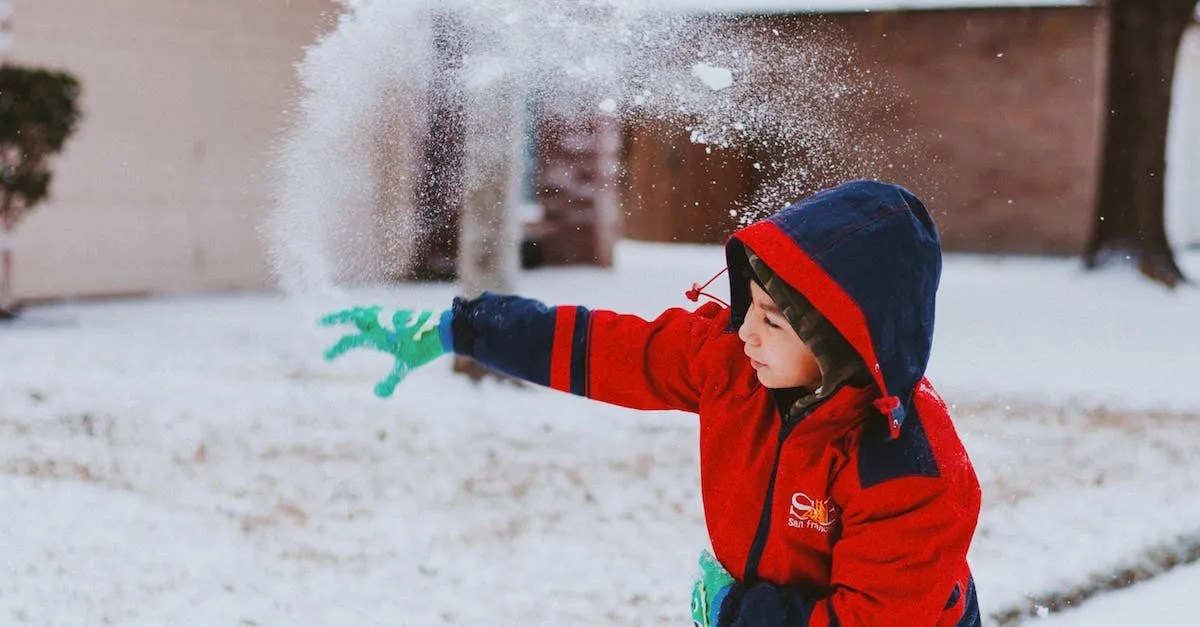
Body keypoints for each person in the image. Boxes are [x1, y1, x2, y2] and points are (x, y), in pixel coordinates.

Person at [319, 179, 982, 627]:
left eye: (774, 322)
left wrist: (738, 612)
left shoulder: (910, 471)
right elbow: (606, 350)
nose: (745, 329)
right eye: (749, 305)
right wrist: (463, 328)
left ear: (842, 344)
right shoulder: (736, 367)